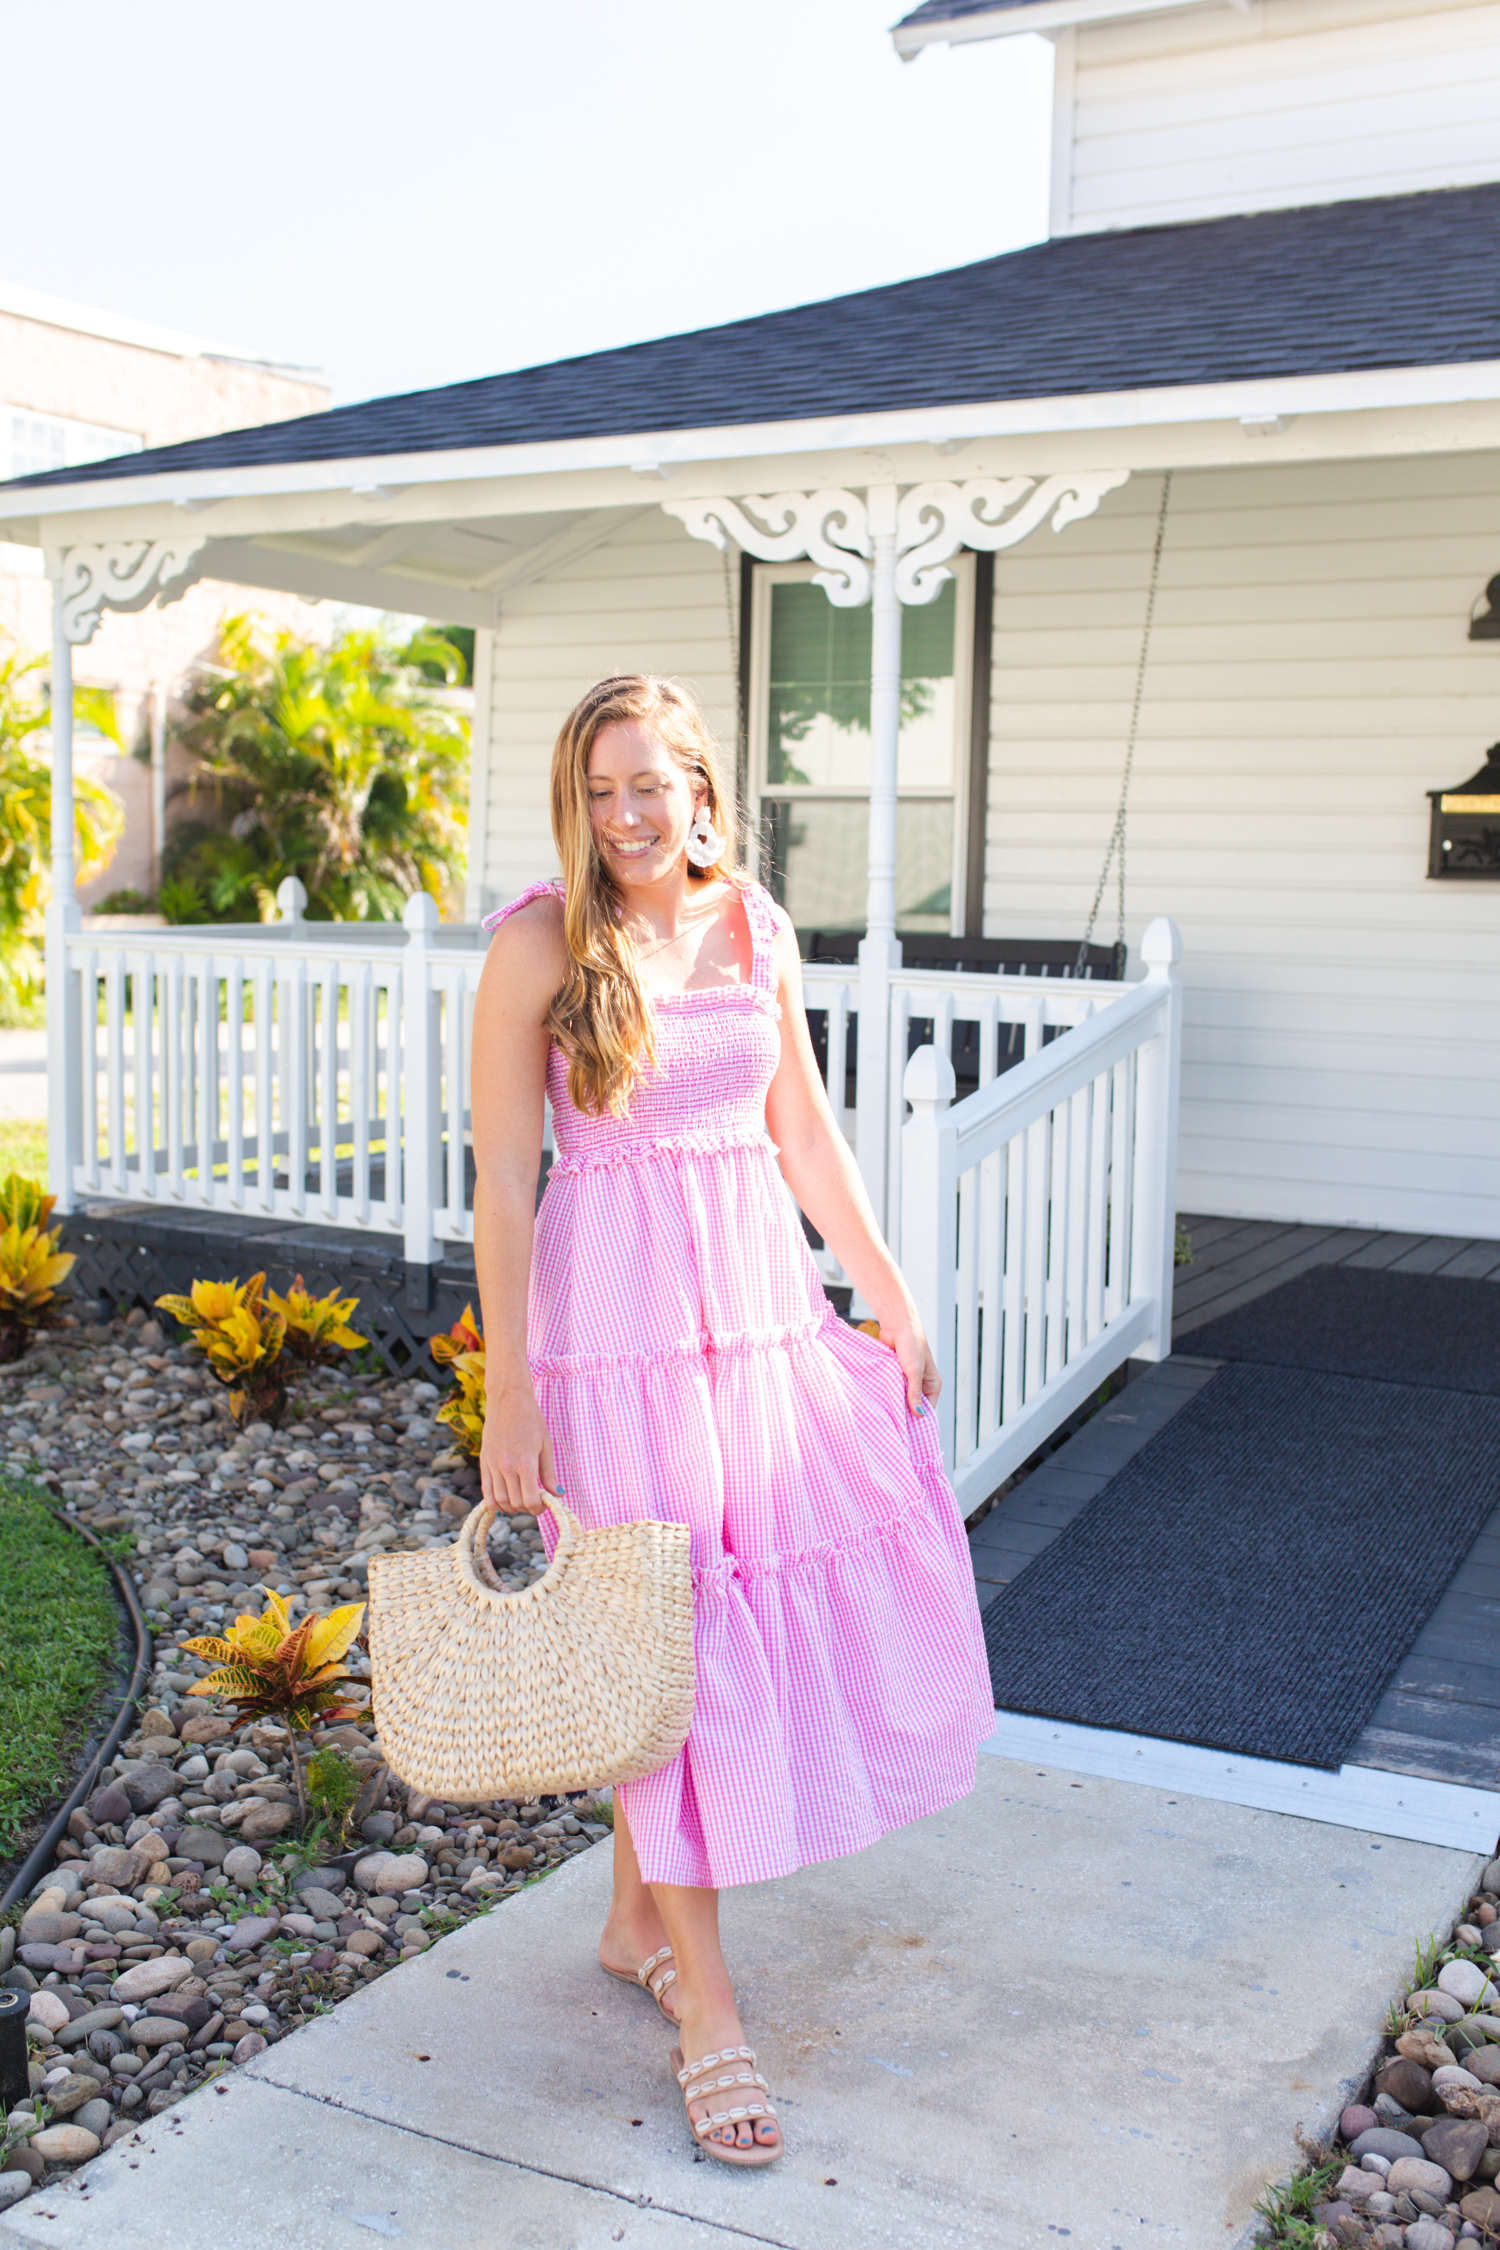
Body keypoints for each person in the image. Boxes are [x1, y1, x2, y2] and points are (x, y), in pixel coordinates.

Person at [468, 673, 993, 2169]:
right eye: (601, 788)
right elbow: (507, 1182)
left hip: (754, 1313)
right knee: (673, 1640)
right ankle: (708, 2004)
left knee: (698, 1624)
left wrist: (884, 1285)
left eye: (655, 782)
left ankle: (637, 1914)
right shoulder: (537, 943)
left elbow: (802, 1126)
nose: (630, 814)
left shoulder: (755, 923)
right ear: (576, 802)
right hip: (616, 1330)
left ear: (706, 787)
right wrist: (512, 1389)